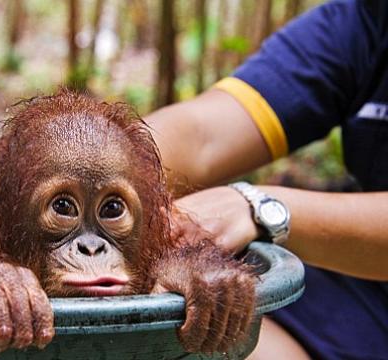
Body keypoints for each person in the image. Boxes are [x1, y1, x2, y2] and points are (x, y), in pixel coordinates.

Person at [145, 0, 388, 358]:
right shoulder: (366, 20)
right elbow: (204, 134)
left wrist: (260, 207)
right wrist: (96, 169)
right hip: (356, 296)